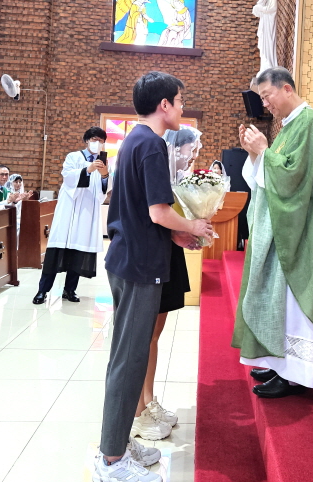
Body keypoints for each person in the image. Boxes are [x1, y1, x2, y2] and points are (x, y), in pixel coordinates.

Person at [93, 71, 212, 482]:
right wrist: (193, 225)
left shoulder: (134, 140)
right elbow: (158, 212)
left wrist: (178, 234)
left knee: (128, 356)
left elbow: (143, 211)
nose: (182, 107)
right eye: (180, 101)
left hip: (129, 258)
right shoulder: (152, 144)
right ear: (164, 105)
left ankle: (119, 442)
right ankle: (111, 460)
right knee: (129, 360)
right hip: (140, 266)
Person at [231, 66, 313, 398]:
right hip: (282, 227)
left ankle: (294, 374)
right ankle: (278, 362)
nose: (265, 104)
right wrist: (255, 154)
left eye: (267, 96)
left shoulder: (309, 123)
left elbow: (293, 179)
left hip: (299, 230)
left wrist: (264, 152)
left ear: (286, 88)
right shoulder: (290, 125)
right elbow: (274, 173)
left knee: (291, 301)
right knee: (277, 299)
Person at [131, 125, 203, 440]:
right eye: (191, 149)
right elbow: (155, 214)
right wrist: (188, 226)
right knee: (144, 337)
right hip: (148, 256)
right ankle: (137, 412)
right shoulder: (154, 166)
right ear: (175, 148)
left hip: (168, 253)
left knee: (155, 335)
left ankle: (149, 401)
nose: (194, 154)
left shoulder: (178, 177)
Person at [32, 127, 110, 305]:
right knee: (55, 253)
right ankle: (42, 290)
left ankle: (70, 290)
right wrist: (88, 169)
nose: (97, 143)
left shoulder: (104, 162)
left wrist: (104, 175)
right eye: (94, 139)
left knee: (78, 253)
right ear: (87, 140)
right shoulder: (73, 157)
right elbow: (68, 178)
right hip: (69, 210)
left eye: (101, 140)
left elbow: (105, 189)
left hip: (87, 213)